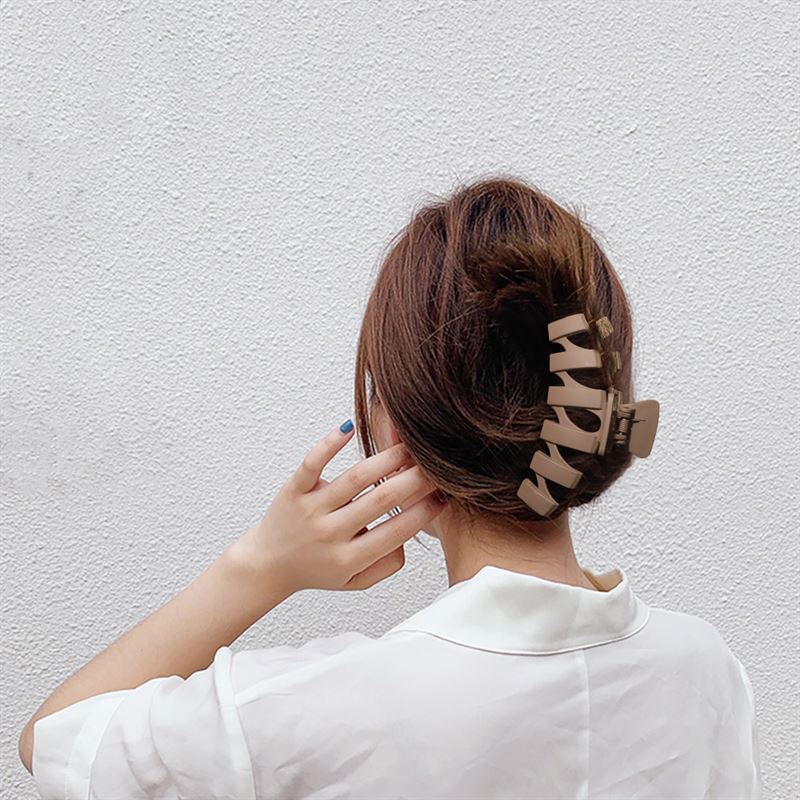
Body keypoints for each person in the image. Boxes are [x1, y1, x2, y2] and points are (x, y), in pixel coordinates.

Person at [19, 176, 761, 799]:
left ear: (402, 429)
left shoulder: (326, 707)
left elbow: (54, 744)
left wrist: (263, 565)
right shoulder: (704, 669)